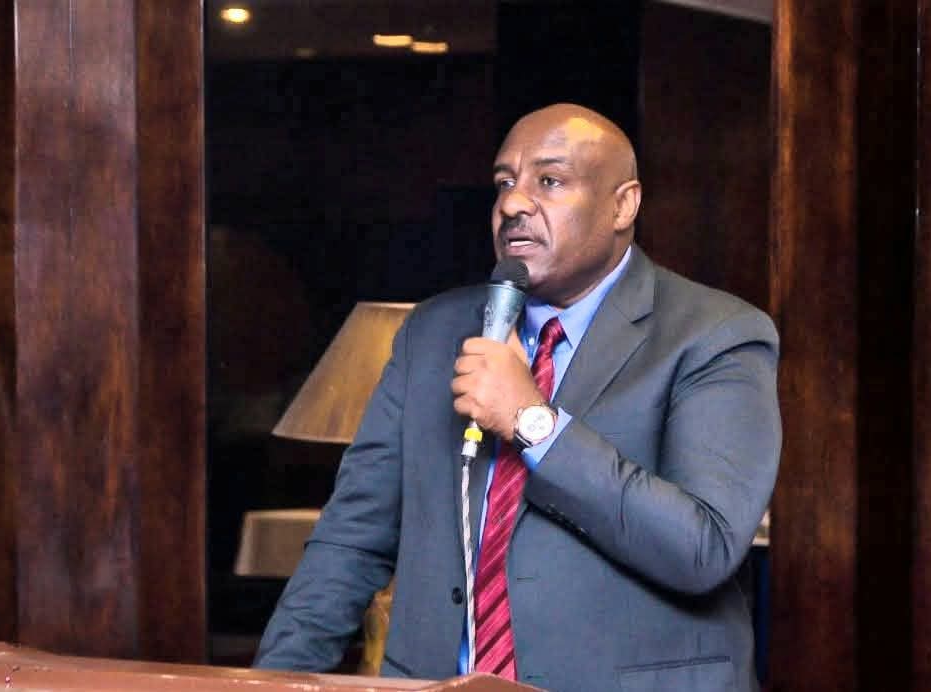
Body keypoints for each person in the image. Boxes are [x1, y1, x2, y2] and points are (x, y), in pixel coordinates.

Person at [255, 103, 780, 692]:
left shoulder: (715, 334)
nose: (513, 204)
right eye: (505, 182)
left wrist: (532, 420)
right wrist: (271, 683)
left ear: (623, 205)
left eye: (549, 181)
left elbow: (703, 549)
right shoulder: (433, 333)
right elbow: (351, 540)